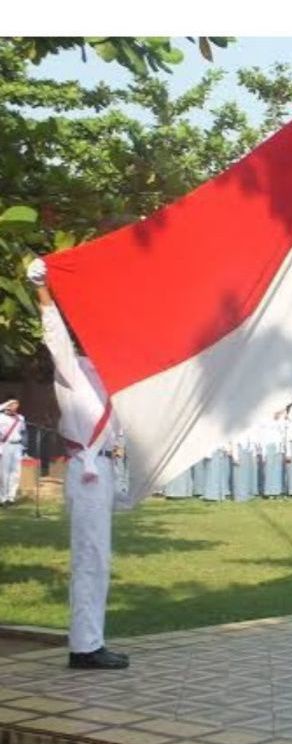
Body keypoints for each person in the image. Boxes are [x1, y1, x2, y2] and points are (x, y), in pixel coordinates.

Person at [26, 258, 129, 669]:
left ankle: (91, 640)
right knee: (90, 556)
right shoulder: (75, 369)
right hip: (86, 472)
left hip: (104, 469)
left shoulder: (113, 373)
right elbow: (56, 337)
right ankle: (85, 647)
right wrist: (43, 290)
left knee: (99, 556)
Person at [0, 397, 27, 506]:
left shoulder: (20, 418)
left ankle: (11, 497)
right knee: (3, 472)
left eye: (16, 404)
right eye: (12, 404)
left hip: (17, 446)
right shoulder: (1, 417)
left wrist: (25, 448)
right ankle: (2, 497)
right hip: (5, 445)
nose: (15, 406)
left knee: (15, 472)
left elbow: (23, 432)